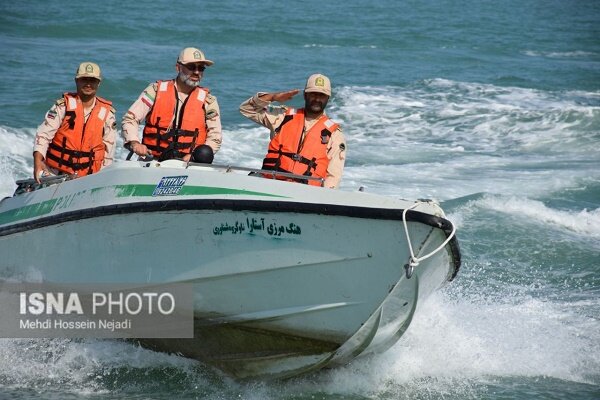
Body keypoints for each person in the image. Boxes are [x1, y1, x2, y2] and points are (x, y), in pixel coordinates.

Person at [239, 73, 346, 189]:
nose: (317, 99)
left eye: (322, 95)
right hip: (270, 184)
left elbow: (333, 177)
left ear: (328, 98)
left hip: (306, 192)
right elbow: (247, 109)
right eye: (313, 94)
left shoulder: (335, 134)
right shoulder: (283, 116)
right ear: (305, 95)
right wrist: (273, 97)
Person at [122, 47, 222, 163]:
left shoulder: (208, 100)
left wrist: (193, 157)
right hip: (154, 161)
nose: (196, 72)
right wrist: (134, 143)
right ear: (178, 67)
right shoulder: (155, 91)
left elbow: (215, 137)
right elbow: (130, 119)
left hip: (189, 165)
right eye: (191, 67)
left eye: (201, 68)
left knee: (205, 153)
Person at [33, 62, 116, 183]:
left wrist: (102, 179)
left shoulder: (108, 114)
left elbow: (109, 151)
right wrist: (38, 161)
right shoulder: (62, 107)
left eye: (92, 80)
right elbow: (43, 135)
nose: (88, 84)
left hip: (88, 178)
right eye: (84, 79)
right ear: (76, 81)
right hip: (55, 174)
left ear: (98, 83)